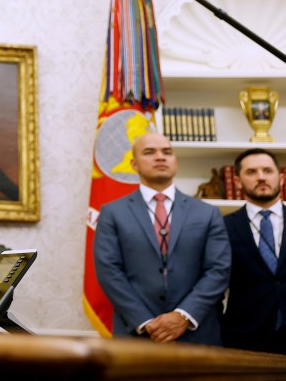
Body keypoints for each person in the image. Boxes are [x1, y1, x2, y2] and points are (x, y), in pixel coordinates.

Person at [93, 131, 229, 344]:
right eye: (149, 152)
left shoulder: (207, 213)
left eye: (167, 152)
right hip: (136, 335)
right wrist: (147, 322)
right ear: (134, 164)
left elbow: (218, 270)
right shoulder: (112, 213)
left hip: (197, 335)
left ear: (175, 161)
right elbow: (109, 272)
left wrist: (182, 316)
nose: (160, 157)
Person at [222, 148, 286, 353]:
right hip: (243, 340)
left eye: (267, 171)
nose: (261, 177)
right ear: (237, 181)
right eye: (251, 172)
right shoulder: (221, 226)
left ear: (280, 178)